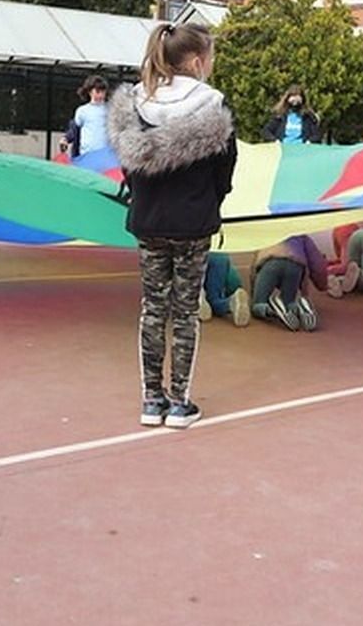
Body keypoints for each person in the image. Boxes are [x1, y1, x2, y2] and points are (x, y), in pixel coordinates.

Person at [108, 22, 237, 430]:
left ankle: (151, 399)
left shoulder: (136, 102)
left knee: (152, 309)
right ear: (198, 61)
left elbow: (129, 168)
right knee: (184, 313)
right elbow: (225, 172)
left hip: (148, 222)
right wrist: (208, 202)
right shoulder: (212, 106)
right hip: (194, 223)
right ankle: (179, 402)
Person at [250, 235, 330, 330]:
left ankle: (272, 311)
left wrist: (254, 289)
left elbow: (254, 267)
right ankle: (298, 307)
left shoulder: (266, 232)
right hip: (295, 266)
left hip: (270, 264)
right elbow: (317, 264)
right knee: (289, 302)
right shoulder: (302, 235)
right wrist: (323, 285)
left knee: (257, 305)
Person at [62, 75, 110, 158]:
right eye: (98, 92)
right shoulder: (82, 111)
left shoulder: (110, 110)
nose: (101, 95)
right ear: (90, 92)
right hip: (86, 154)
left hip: (105, 155)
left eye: (103, 92)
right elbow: (74, 130)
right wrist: (66, 139)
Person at [199, 252, 251, 327]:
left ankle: (197, 298)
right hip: (220, 256)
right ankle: (230, 302)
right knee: (215, 299)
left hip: (191, 261)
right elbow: (234, 281)